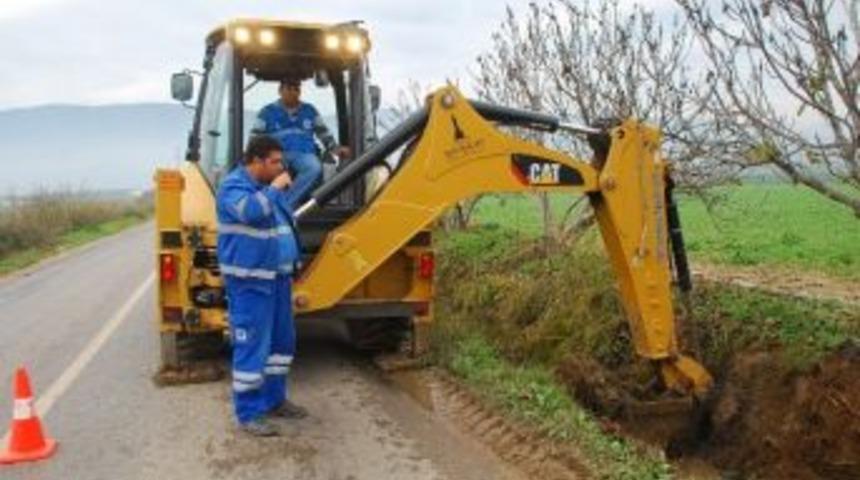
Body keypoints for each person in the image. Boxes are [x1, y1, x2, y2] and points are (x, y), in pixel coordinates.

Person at [216, 135, 308, 437]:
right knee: (252, 346)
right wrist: (275, 188)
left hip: (278, 279)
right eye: (275, 161)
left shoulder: (270, 191)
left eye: (281, 162)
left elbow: (284, 225)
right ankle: (249, 413)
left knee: (282, 345)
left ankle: (275, 401)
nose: (281, 167)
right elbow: (250, 212)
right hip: (249, 282)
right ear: (255, 161)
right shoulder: (233, 187)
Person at [253, 77, 350, 211]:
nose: (293, 92)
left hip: (304, 154)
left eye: (296, 89)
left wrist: (335, 148)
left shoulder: (310, 110)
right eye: (289, 89)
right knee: (269, 168)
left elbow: (323, 133)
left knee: (314, 167)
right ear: (280, 90)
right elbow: (255, 137)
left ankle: (285, 204)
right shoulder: (267, 112)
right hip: (278, 154)